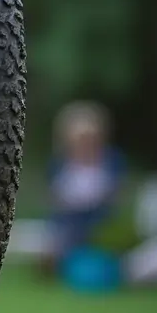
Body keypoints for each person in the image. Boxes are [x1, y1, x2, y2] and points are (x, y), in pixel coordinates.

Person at [48, 101, 126, 261]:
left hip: (102, 217)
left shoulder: (112, 159)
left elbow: (117, 193)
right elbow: (54, 195)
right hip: (69, 219)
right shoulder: (59, 162)